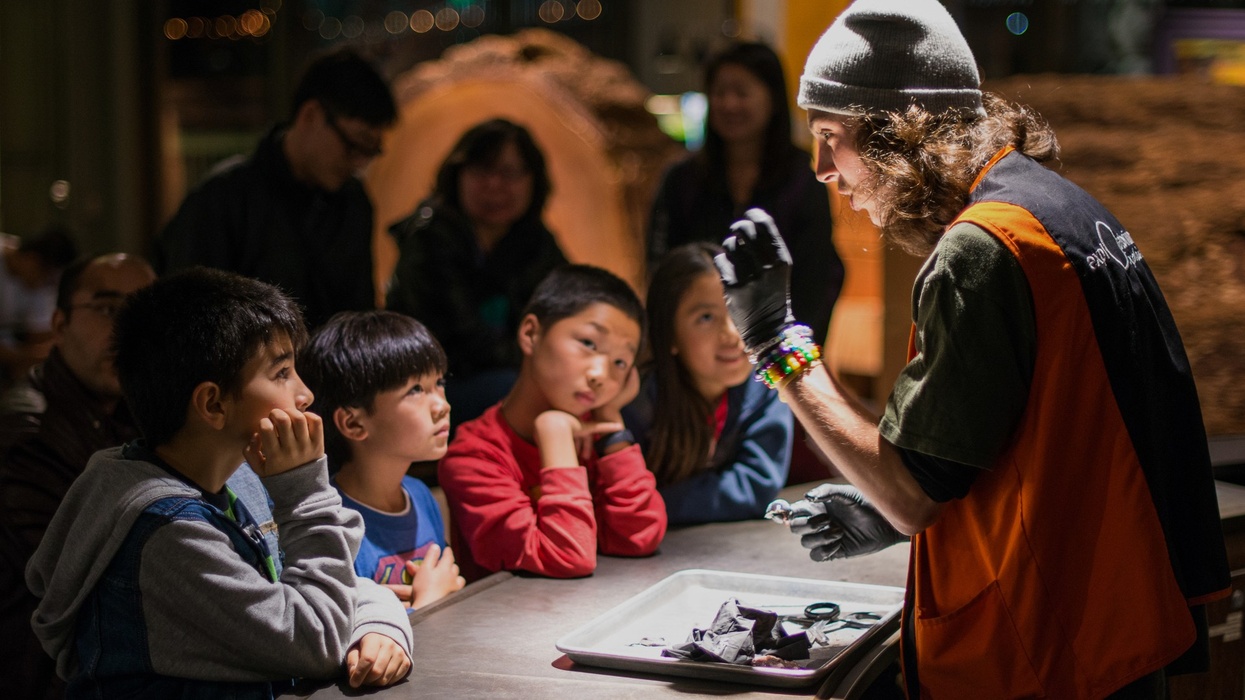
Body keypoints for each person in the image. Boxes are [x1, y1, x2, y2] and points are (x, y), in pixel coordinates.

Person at [713, 1, 1231, 698]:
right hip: (1114, 623)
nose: (819, 168)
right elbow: (1048, 436)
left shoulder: (980, 249)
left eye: (829, 137)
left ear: (893, 132)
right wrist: (898, 505)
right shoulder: (1059, 209)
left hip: (1050, 648)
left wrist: (775, 343)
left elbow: (913, 498)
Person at [25, 268, 413, 695]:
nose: (304, 394)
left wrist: (379, 626)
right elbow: (315, 640)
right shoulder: (166, 533)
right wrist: (305, 492)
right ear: (213, 403)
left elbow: (339, 585)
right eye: (282, 373)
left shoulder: (243, 475)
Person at [438, 265, 666, 583]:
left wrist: (611, 419)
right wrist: (555, 435)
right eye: (588, 343)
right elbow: (567, 556)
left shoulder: (596, 432)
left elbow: (639, 536)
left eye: (619, 363)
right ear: (531, 333)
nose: (600, 374)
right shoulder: (472, 457)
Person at [0, 253, 155, 699]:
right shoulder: (27, 435)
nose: (126, 331)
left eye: (141, 312)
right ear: (60, 323)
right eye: (107, 309)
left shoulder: (141, 408)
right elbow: (88, 584)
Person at [158, 48, 397, 329]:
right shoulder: (224, 196)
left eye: (369, 151)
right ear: (310, 115)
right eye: (352, 144)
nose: (358, 162)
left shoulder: (353, 200)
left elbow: (358, 314)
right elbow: (191, 315)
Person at [647, 41, 843, 346]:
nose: (729, 104)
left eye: (741, 92)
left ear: (773, 99)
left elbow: (816, 276)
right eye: (720, 92)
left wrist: (791, 351)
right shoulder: (682, 179)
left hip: (779, 348)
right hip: (695, 347)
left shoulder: (802, 181)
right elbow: (662, 267)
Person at [386, 118, 567, 425]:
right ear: (458, 175)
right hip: (434, 384)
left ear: (533, 180)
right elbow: (461, 339)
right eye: (482, 171)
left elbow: (568, 305)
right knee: (514, 392)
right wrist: (539, 364)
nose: (495, 185)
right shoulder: (430, 237)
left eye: (510, 173)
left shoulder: (536, 240)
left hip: (514, 372)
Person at [298, 310, 466, 609]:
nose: (442, 404)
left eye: (438, 383)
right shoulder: (331, 522)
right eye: (416, 390)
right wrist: (428, 603)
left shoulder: (420, 495)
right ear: (354, 424)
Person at [622, 242, 793, 525]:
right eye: (706, 317)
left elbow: (757, 484)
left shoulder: (764, 387)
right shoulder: (637, 402)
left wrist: (658, 502)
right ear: (670, 335)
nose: (730, 333)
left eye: (737, 311)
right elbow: (623, 501)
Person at [0, 225, 78, 383]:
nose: (48, 286)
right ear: (32, 260)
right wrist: (27, 355)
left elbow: (38, 333)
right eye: (48, 278)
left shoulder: (37, 284)